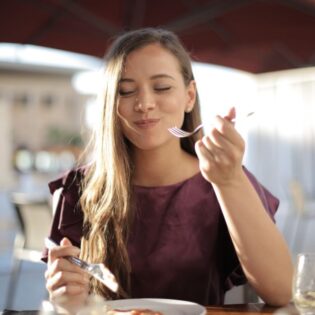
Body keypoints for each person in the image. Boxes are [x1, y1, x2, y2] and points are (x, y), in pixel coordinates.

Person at [43, 28, 293, 313]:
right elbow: (70, 301)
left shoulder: (225, 179)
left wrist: (230, 180)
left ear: (189, 96)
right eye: (125, 91)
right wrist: (66, 298)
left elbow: (280, 291)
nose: (145, 104)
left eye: (161, 87)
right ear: (111, 104)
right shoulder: (78, 189)